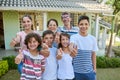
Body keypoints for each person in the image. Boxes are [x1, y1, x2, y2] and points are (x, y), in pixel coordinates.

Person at [70, 15, 98, 80]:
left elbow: (93, 55)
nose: (84, 26)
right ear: (78, 25)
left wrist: (94, 69)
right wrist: (71, 49)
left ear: (89, 25)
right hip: (76, 73)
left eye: (86, 24)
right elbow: (71, 45)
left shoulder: (93, 39)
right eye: (81, 24)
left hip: (90, 73)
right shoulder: (74, 37)